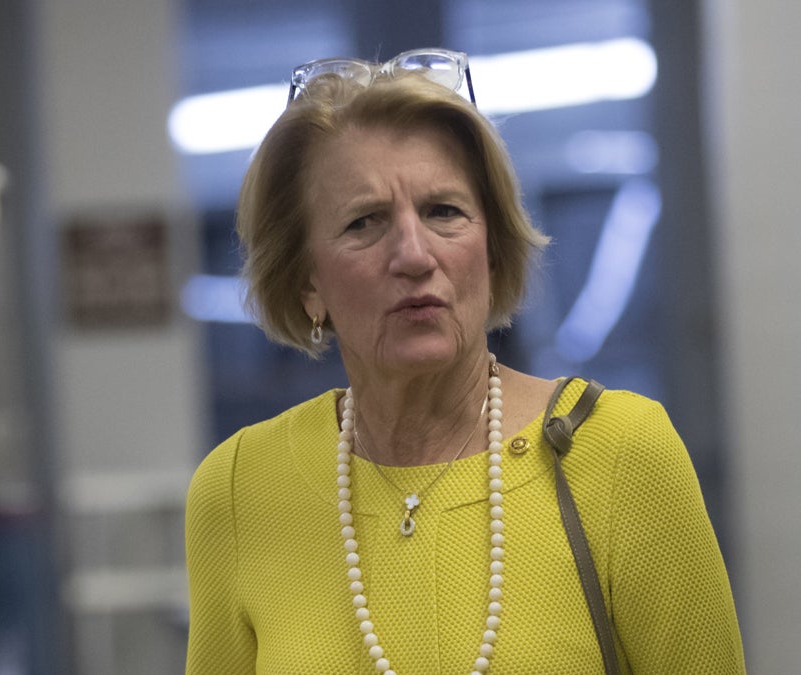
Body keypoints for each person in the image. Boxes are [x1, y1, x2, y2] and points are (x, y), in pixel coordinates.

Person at [184, 48, 744, 674]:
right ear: (309, 280)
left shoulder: (619, 453)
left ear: (493, 248)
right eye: (364, 222)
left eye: (443, 212)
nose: (415, 255)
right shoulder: (238, 488)